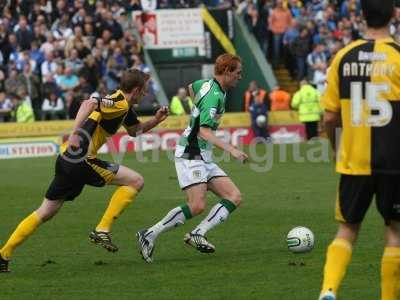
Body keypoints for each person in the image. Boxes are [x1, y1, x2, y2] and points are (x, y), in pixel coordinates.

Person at [0, 69, 169, 272]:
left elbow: (134, 131)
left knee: (45, 212)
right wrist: (73, 134)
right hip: (81, 160)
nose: (146, 94)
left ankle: (4, 254)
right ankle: (102, 229)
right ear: (136, 90)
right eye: (145, 90)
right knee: (136, 181)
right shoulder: (119, 102)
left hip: (67, 159)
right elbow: (88, 103)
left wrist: (156, 120)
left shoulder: (123, 106)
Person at [319, 1, 400, 299]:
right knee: (394, 234)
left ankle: (328, 290)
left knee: (347, 230)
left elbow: (329, 116)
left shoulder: (342, 57)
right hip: (394, 162)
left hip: (353, 160)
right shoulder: (399, 57)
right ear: (394, 15)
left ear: (361, 15)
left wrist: (337, 147)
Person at [136, 53, 248, 263]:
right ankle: (149, 234)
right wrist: (232, 150)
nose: (239, 77)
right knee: (196, 205)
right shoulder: (214, 96)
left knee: (234, 196)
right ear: (226, 72)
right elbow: (204, 132)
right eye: (238, 73)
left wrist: (197, 110)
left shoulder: (207, 84)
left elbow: (190, 88)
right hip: (191, 152)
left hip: (202, 155)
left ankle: (198, 233)